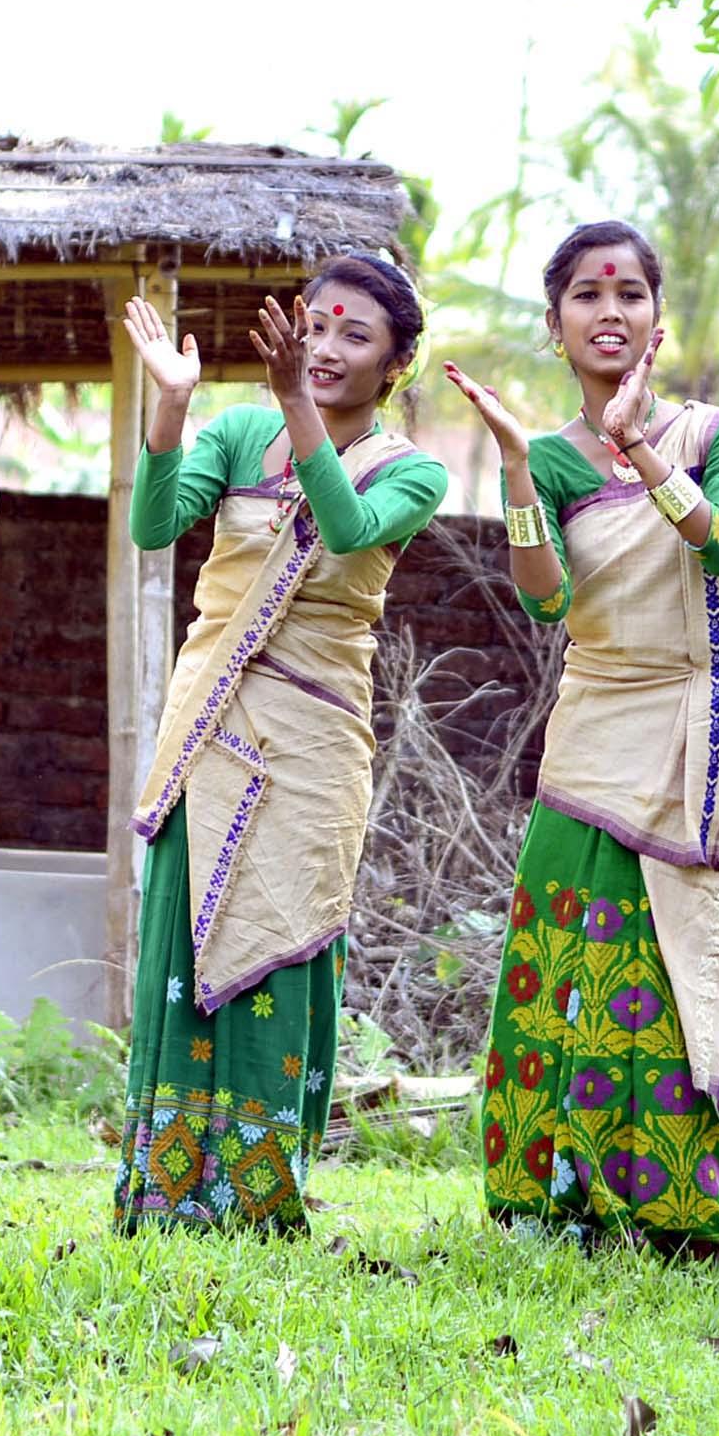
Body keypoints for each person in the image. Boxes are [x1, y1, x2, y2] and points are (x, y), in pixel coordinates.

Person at [446, 220, 719, 1257]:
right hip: (592, 732)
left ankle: (673, 1217)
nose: (609, 312)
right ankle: (552, 1204)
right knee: (564, 963)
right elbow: (544, 601)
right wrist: (510, 463)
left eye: (628, 293)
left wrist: (637, 446)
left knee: (666, 967)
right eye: (586, 295)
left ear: (657, 322)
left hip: (692, 729)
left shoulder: (716, 437)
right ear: (555, 326)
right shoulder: (543, 455)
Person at [112, 256, 446, 1232]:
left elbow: (342, 534)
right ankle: (168, 1192)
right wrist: (170, 414)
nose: (329, 349)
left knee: (284, 931)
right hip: (209, 722)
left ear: (397, 364)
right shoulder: (241, 430)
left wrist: (296, 405)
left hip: (310, 739)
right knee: (184, 938)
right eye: (318, 326)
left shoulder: (409, 469)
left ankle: (259, 1194)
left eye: (355, 336)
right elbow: (151, 525)